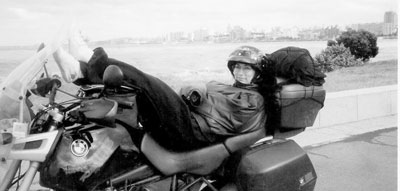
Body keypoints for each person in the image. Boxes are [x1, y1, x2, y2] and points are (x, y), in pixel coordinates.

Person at [49, 32, 277, 152]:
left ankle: (89, 60)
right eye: (237, 67)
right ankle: (79, 75)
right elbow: (200, 89)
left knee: (150, 85)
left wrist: (198, 98)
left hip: (195, 132)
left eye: (247, 68)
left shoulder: (254, 99)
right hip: (190, 119)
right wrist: (196, 92)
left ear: (257, 73)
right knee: (127, 94)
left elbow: (222, 115)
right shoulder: (226, 86)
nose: (241, 72)